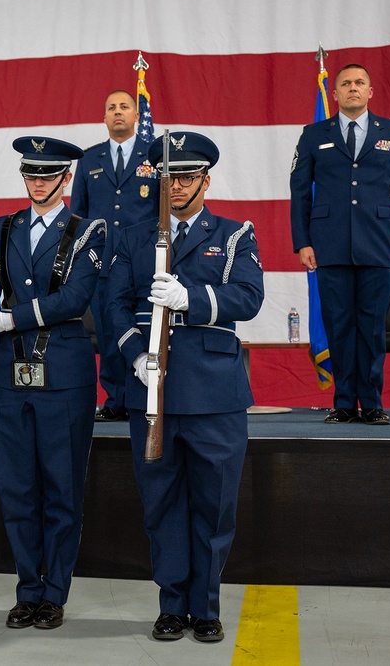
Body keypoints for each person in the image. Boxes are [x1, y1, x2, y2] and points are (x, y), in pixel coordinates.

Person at [106, 132, 263, 643]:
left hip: (213, 392)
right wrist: (135, 357)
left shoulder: (235, 233)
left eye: (188, 177)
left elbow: (247, 297)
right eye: (169, 178)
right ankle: (172, 604)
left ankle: (207, 606)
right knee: (162, 503)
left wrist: (188, 297)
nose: (176, 188)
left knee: (214, 505)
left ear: (206, 180)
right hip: (152, 387)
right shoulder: (132, 237)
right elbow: (112, 306)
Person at [0, 136, 105, 629]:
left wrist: (9, 320)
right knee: (17, 489)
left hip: (63, 374)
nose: (40, 183)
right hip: (8, 374)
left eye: (49, 175)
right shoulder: (1, 228)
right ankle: (28, 588)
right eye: (32, 175)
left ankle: (55, 592)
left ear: (66, 178)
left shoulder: (89, 230)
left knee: (61, 489)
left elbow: (74, 299)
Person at [290, 63, 390, 426]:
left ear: (370, 91)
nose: (352, 88)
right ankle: (344, 402)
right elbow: (299, 191)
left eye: (359, 82)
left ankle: (373, 403)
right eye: (345, 83)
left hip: (378, 244)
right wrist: (302, 241)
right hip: (328, 245)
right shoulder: (314, 134)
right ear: (335, 93)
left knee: (373, 327)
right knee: (339, 325)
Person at [71, 89, 160, 422]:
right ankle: (115, 399)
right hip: (102, 261)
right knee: (107, 332)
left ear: (137, 116)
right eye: (112, 107)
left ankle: (141, 394)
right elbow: (78, 215)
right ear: (104, 117)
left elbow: (161, 212)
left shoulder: (153, 157)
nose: (118, 112)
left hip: (143, 262)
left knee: (142, 328)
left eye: (125, 106)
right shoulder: (89, 159)